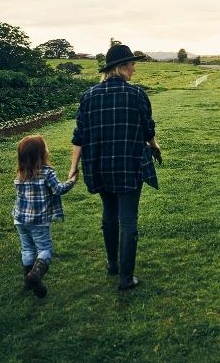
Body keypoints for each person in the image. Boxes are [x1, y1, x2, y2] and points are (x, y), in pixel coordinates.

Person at [70, 44, 162, 290]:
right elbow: (148, 129)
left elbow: (79, 135)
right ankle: (125, 278)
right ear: (121, 67)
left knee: (109, 213)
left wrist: (73, 167)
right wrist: (155, 146)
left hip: (99, 165)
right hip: (129, 166)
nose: (134, 68)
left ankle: (113, 264)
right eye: (132, 64)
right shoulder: (137, 94)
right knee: (128, 219)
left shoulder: (88, 96)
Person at [12, 134, 77, 298]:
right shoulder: (46, 173)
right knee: (44, 250)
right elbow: (58, 190)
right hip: (38, 221)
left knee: (27, 249)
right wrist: (72, 181)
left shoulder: (21, 174)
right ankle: (35, 276)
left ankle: (32, 280)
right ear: (42, 153)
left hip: (20, 219)